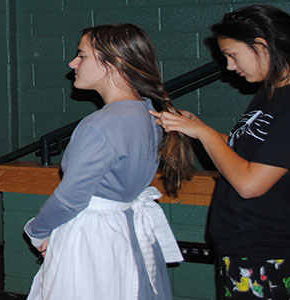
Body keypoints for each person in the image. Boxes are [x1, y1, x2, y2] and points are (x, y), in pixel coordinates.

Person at [150, 5, 290, 300]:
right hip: (249, 251)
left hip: (277, 256)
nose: (229, 66)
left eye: (232, 55)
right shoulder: (273, 94)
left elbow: (250, 183)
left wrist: (204, 134)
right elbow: (251, 153)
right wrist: (201, 129)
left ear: (262, 47)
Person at [24, 23, 193, 300]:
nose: (73, 63)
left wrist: (36, 230)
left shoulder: (101, 124)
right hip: (125, 235)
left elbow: (70, 199)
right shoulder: (148, 114)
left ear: (113, 63)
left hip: (94, 241)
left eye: (82, 55)